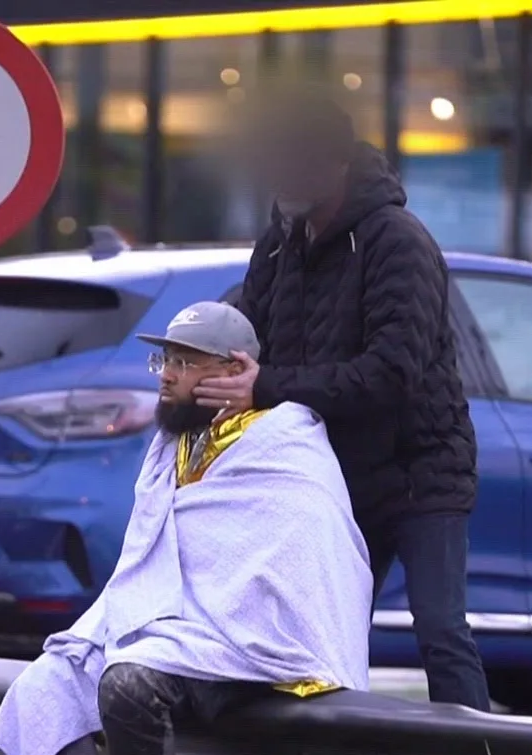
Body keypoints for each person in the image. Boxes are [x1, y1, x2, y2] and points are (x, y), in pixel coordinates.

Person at [0, 301, 373, 755]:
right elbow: (151, 555)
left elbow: (284, 559)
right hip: (173, 626)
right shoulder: (177, 442)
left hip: (251, 636)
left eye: (185, 362)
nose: (166, 374)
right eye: (164, 359)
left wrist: (190, 623)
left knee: (129, 684)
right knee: (45, 685)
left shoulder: (284, 439)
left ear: (233, 368)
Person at [201, 90, 492, 713]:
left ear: (336, 165)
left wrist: (267, 384)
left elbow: (391, 373)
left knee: (440, 630)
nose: (281, 182)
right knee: (320, 632)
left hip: (421, 474)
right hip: (330, 475)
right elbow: (248, 337)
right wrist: (202, 365)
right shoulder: (280, 242)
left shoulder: (397, 243)